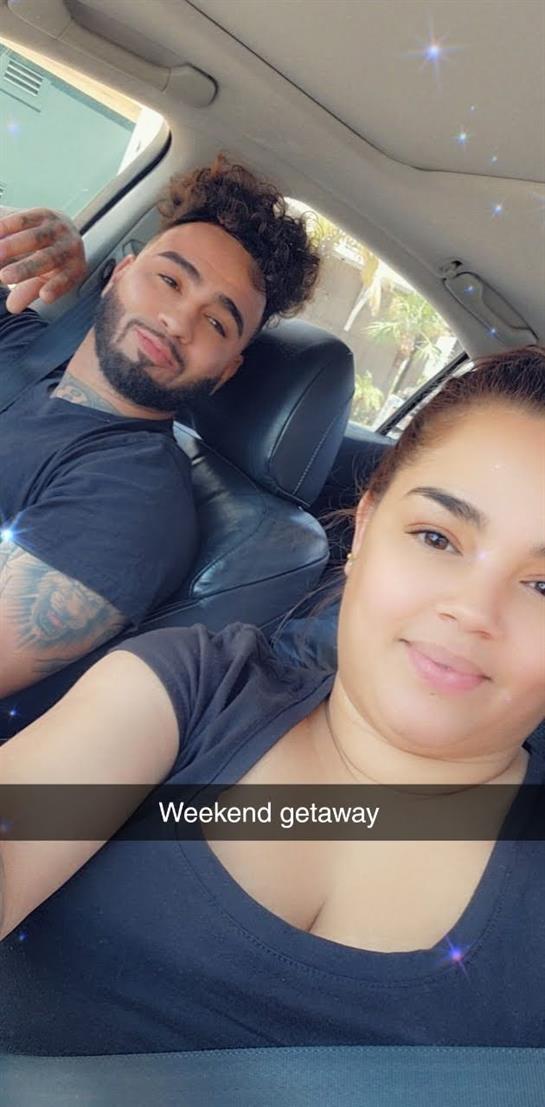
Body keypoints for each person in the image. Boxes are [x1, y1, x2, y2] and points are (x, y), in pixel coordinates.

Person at [0, 345, 544, 1054]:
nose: (472, 610)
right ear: (367, 527)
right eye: (436, 537)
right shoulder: (194, 686)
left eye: (543, 585)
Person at [0, 156, 320, 703]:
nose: (178, 320)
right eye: (169, 279)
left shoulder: (131, 498)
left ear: (226, 371)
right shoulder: (23, 348)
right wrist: (33, 232)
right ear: (119, 275)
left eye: (217, 323)